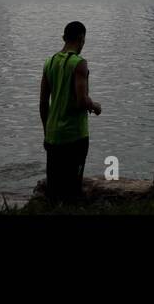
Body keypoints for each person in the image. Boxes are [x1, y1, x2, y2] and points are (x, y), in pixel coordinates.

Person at [40, 21, 102, 203]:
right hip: (75, 135)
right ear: (81, 39)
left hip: (53, 136)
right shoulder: (79, 64)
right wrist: (95, 106)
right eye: (84, 40)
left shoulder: (49, 62)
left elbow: (43, 102)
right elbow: (82, 100)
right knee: (73, 187)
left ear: (63, 38)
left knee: (54, 188)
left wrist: (46, 132)